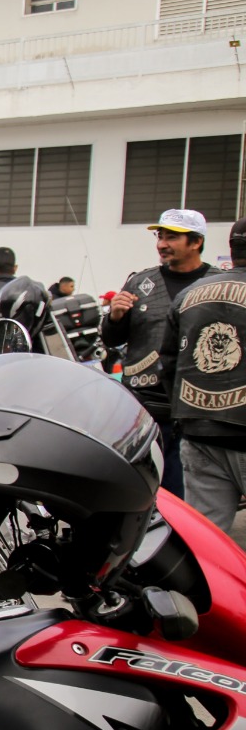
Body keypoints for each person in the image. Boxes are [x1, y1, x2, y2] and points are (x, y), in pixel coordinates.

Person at [104, 209, 215, 498]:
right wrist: (114, 317)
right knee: (139, 493)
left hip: (197, 412)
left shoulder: (219, 284)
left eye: (172, 237)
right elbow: (113, 339)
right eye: (160, 236)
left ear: (196, 242)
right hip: (145, 408)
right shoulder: (140, 283)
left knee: (185, 498)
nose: (162, 244)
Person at [161, 215, 246, 532]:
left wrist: (185, 412)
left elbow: (167, 363)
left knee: (206, 543)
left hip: (199, 432)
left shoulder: (189, 294)